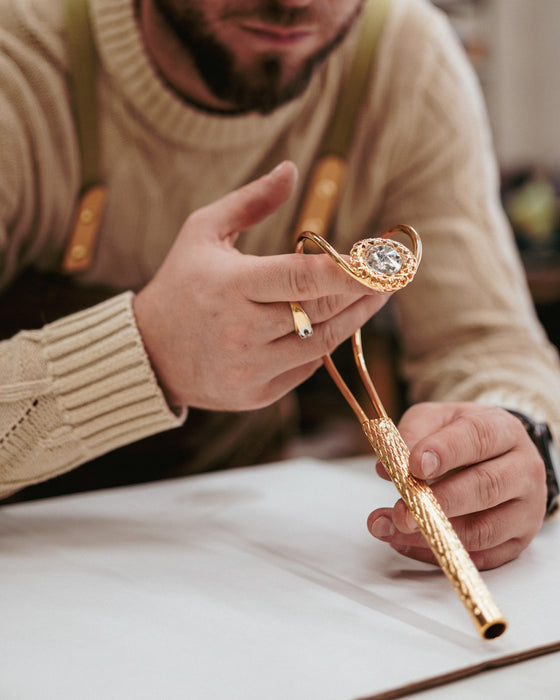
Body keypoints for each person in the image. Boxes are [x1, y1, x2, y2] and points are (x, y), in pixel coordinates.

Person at [1, 0, 559, 572]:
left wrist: (514, 438)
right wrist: (147, 353)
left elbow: (487, 344)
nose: (294, 4)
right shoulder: (20, 54)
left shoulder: (402, 56)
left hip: (236, 557)